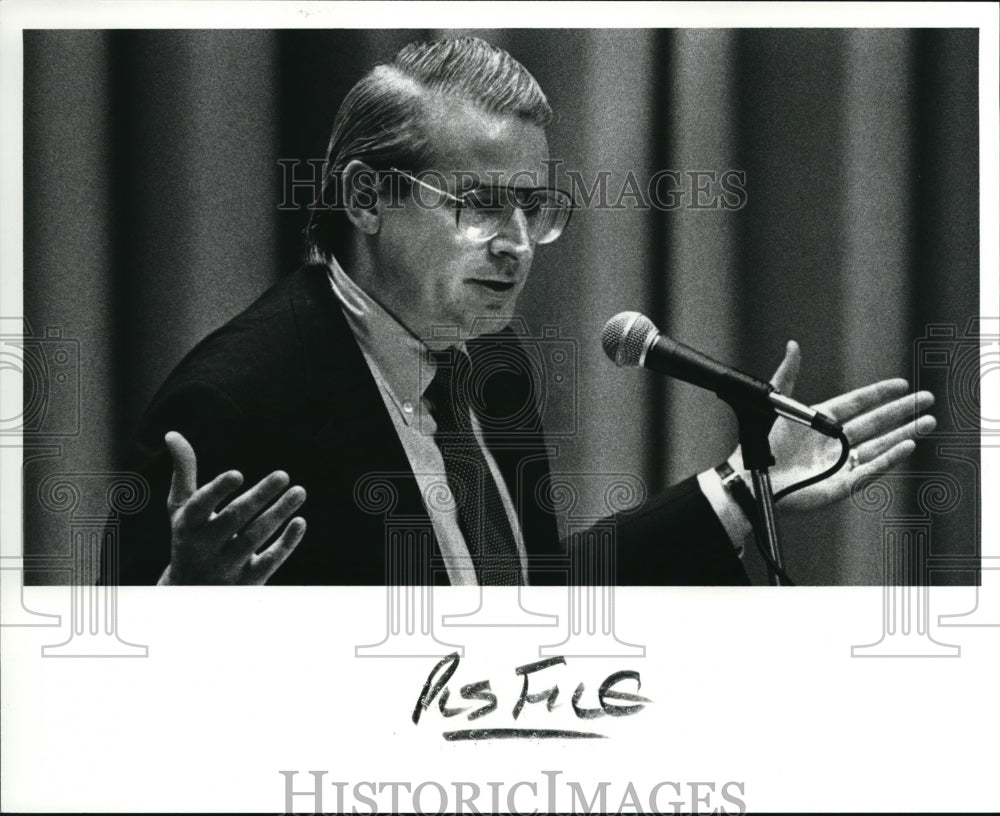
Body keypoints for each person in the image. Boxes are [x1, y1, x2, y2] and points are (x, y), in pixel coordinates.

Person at [111, 37, 935, 586]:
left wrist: (740, 490)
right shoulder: (234, 401)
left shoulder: (488, 366)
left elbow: (523, 609)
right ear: (366, 198)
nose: (517, 245)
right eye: (477, 204)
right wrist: (184, 612)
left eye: (533, 208)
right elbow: (113, 706)